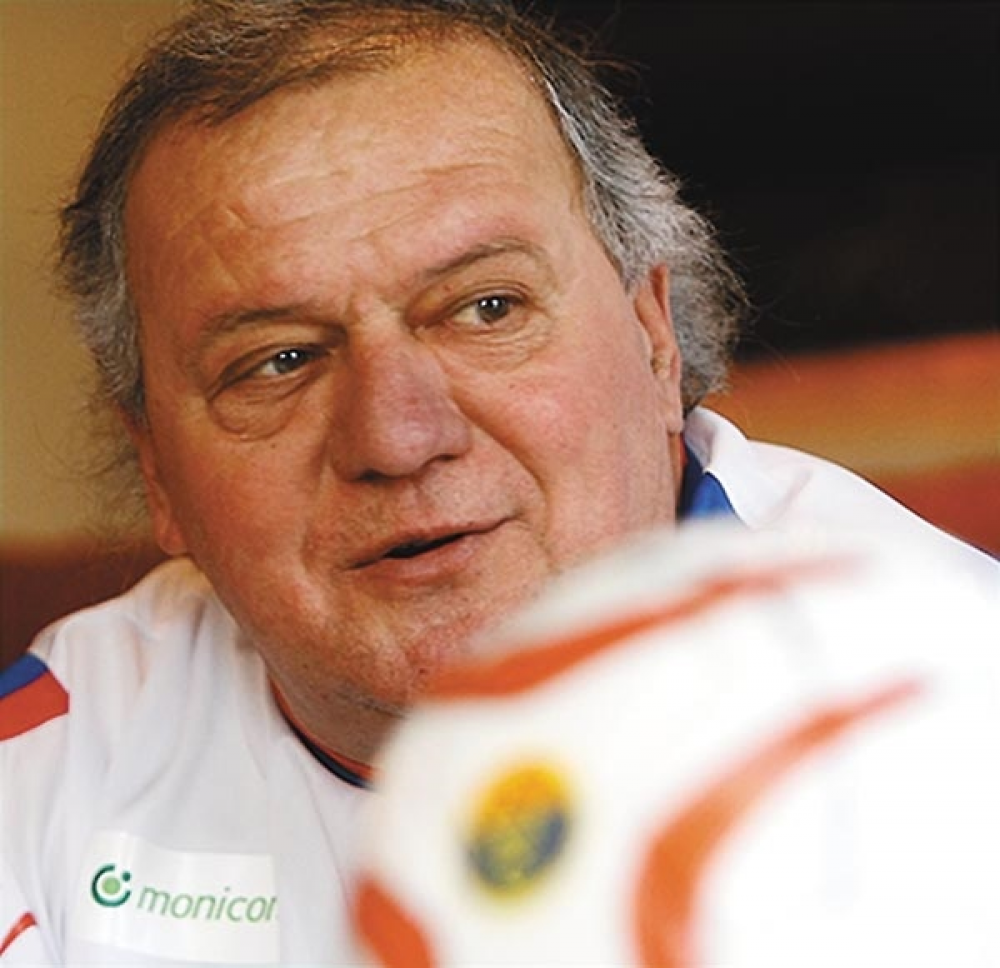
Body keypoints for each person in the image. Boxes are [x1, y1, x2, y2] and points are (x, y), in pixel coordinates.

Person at [0, 1, 995, 964]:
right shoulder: (43, 781)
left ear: (654, 338)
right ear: (157, 469)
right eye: (280, 361)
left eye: (485, 308)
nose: (398, 437)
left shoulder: (955, 719)